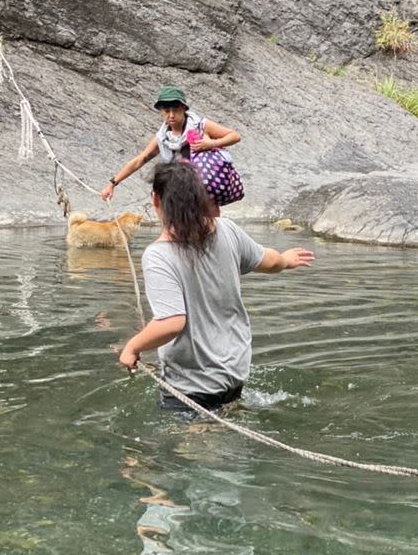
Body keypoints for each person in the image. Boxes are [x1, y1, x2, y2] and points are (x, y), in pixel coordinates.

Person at [119, 162, 314, 412]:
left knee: (176, 448)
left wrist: (132, 347)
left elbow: (171, 323)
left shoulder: (158, 256)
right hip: (234, 372)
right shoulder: (227, 230)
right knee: (223, 424)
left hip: (192, 385)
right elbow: (269, 260)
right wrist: (286, 260)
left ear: (156, 200)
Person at [100, 85, 241, 202]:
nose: (171, 115)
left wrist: (209, 143)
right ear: (161, 112)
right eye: (167, 111)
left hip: (203, 190)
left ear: (184, 109)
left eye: (176, 110)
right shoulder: (162, 138)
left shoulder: (201, 126)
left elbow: (234, 136)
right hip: (179, 191)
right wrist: (112, 184)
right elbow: (140, 159)